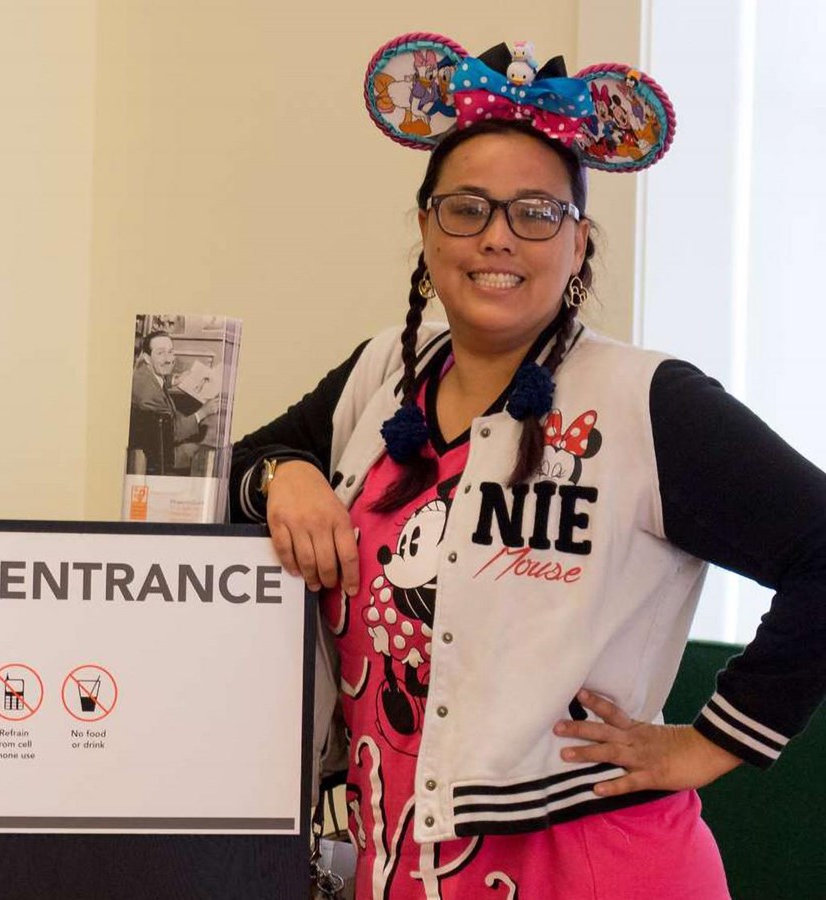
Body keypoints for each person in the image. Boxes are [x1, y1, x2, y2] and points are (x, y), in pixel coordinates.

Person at [232, 35, 825, 899]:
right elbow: (246, 464)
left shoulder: (645, 401)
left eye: (535, 212)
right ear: (427, 231)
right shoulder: (380, 375)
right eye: (466, 208)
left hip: (591, 863)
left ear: (578, 244)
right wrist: (286, 474)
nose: (497, 238)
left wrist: (710, 742)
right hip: (398, 850)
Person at [130, 331, 219, 474]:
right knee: (211, 452)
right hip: (160, 455)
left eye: (170, 352)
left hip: (157, 437)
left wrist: (174, 380)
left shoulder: (141, 371)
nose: (168, 359)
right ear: (147, 357)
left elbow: (156, 378)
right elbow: (172, 433)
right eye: (160, 353)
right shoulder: (150, 396)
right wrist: (203, 412)